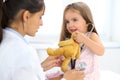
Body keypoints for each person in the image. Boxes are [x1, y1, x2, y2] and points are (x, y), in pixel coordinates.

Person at [0, 0, 85, 80]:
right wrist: (66, 78)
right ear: (26, 16)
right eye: (40, 17)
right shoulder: (23, 52)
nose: (41, 23)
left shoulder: (6, 42)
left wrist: (40, 67)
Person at [47, 1, 105, 80]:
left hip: (88, 77)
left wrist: (85, 39)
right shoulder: (69, 40)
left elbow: (101, 51)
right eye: (67, 22)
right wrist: (63, 59)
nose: (70, 25)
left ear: (87, 23)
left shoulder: (91, 36)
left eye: (74, 20)